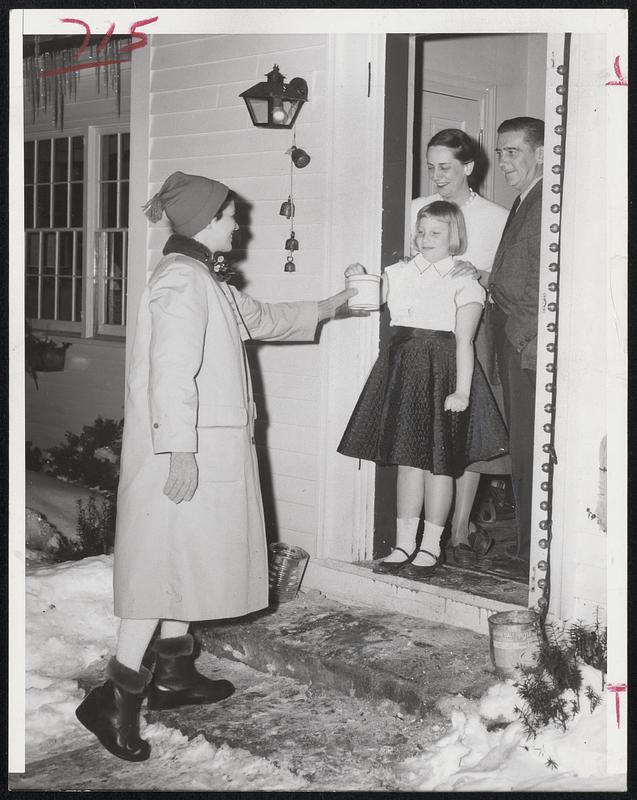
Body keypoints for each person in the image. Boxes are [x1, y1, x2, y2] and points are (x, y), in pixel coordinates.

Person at [75, 171, 355, 762]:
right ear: (206, 221)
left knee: (179, 556)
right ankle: (115, 696)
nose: (239, 223)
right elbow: (171, 371)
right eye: (231, 215)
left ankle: (175, 673)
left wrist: (334, 305)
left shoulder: (205, 276)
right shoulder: (182, 280)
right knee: (158, 565)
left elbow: (262, 318)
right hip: (183, 448)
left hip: (204, 444)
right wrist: (179, 448)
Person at [337, 201, 508, 577]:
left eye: (436, 233)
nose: (425, 239)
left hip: (442, 375)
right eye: (421, 231)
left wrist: (462, 392)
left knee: (440, 467)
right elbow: (367, 298)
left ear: (454, 238)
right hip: (402, 371)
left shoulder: (465, 281)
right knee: (407, 463)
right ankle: (404, 544)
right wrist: (357, 276)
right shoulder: (396, 273)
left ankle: (431, 546)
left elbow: (465, 342)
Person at [410, 129, 510, 566]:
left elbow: (506, 279)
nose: (436, 176)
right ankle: (423, 532)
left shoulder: (496, 215)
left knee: (465, 423)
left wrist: (481, 274)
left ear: (468, 167)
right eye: (430, 167)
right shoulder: (418, 208)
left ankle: (460, 530)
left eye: (445, 167)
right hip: (426, 332)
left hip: (474, 327)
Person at [487, 117, 544, 564]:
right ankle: (526, 550)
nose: (503, 161)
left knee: (529, 450)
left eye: (513, 152)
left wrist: (525, 337)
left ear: (541, 153)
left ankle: (531, 558)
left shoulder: (545, 202)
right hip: (514, 339)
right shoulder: (525, 200)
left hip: (527, 344)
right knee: (521, 450)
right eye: (500, 152)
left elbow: (543, 284)